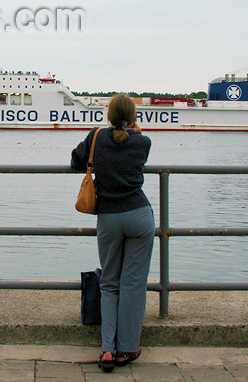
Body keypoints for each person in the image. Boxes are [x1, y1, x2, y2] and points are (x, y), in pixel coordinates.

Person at [70, 93, 154, 373]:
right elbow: (133, 144)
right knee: (133, 284)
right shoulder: (144, 142)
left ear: (107, 114)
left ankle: (107, 350)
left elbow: (76, 161)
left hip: (109, 217)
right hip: (139, 216)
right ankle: (128, 348)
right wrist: (133, 129)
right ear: (133, 118)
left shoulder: (96, 137)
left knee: (109, 282)